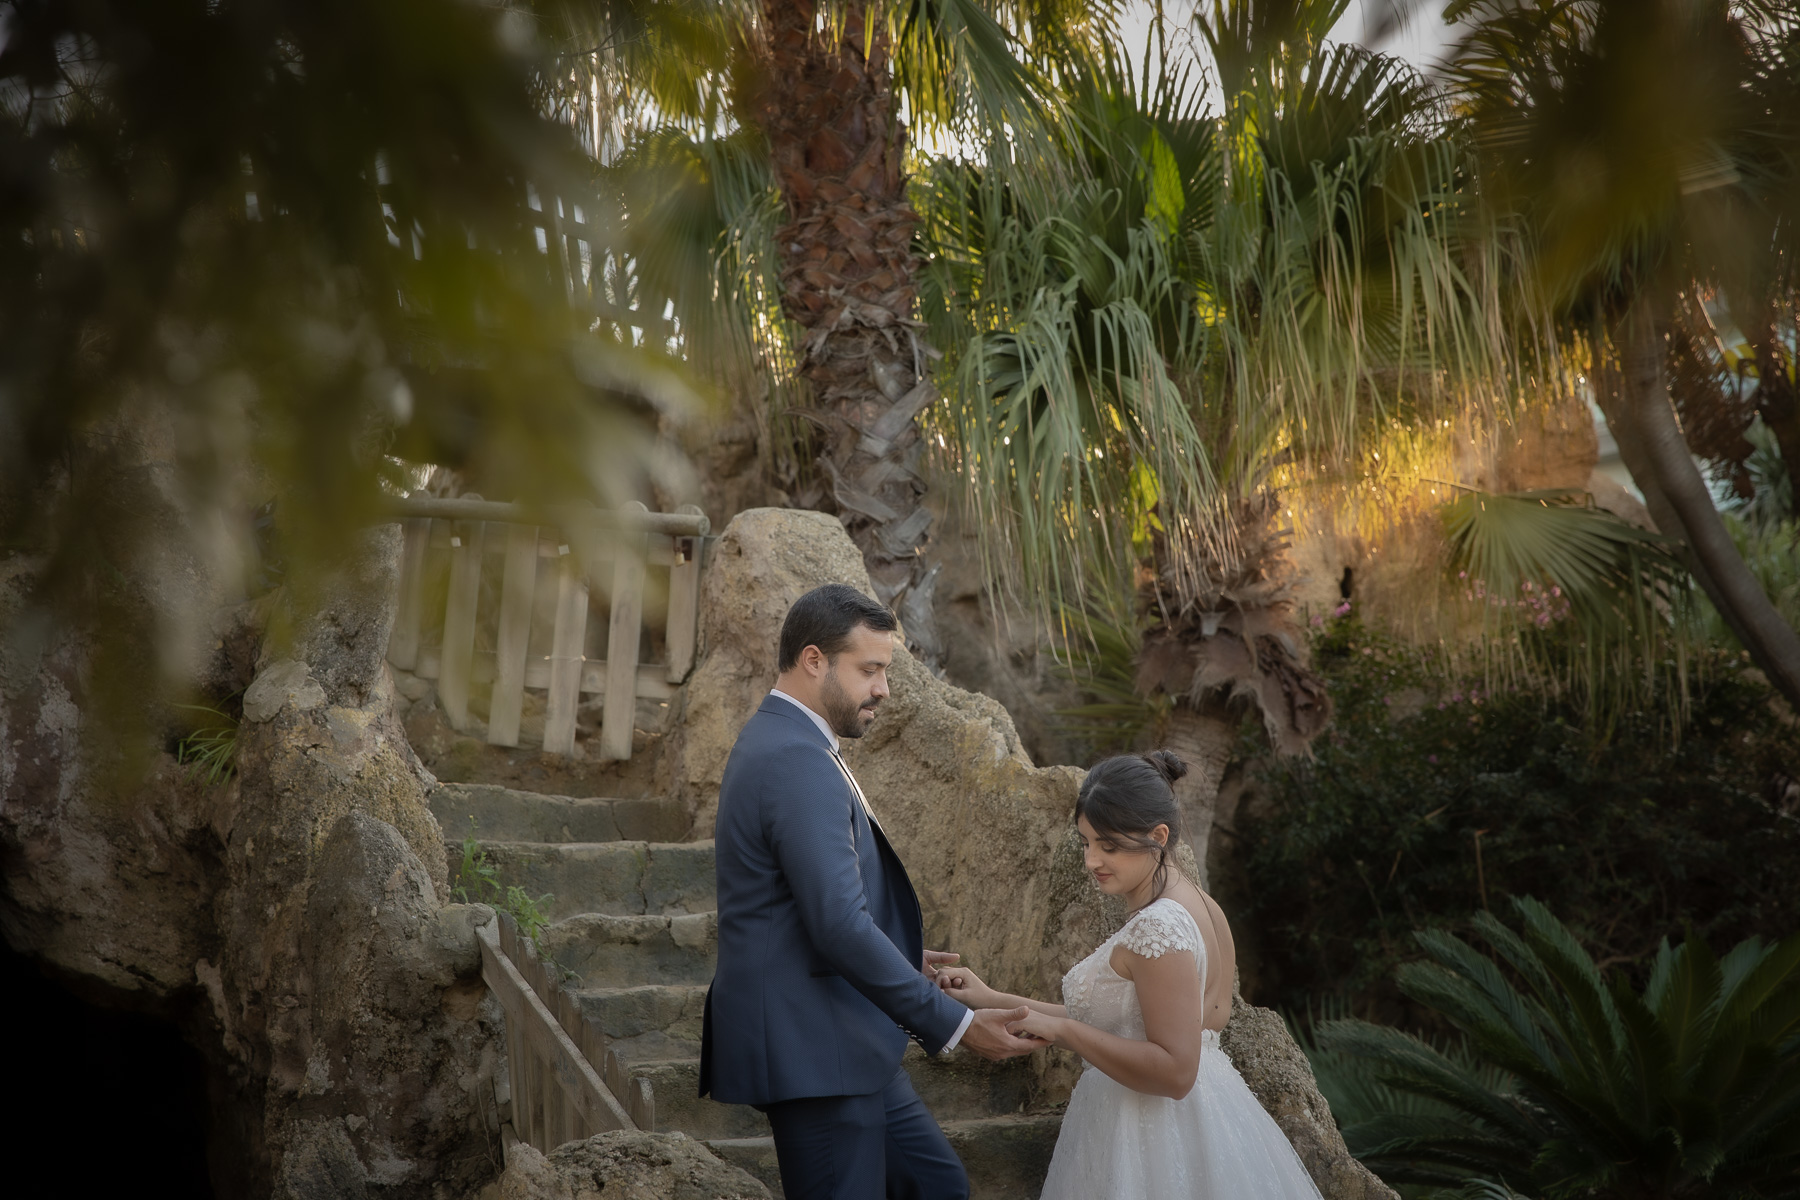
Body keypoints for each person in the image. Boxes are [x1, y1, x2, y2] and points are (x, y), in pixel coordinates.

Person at [699, 583, 1038, 1200]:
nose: (883, 687)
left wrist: (904, 957)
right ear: (813, 661)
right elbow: (837, 926)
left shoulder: (793, 742)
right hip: (816, 1050)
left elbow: (815, 906)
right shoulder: (793, 757)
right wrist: (957, 1025)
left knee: (937, 1185)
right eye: (871, 669)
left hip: (846, 1041)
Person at [938, 751, 1325, 1199]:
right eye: (1086, 843)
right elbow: (1127, 1019)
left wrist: (1062, 1031)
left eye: (1110, 846)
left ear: (1158, 836)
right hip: (1209, 1116)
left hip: (1151, 1130)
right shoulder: (1202, 905)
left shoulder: (1160, 926)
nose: (1092, 860)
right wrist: (989, 998)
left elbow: (1176, 1072)